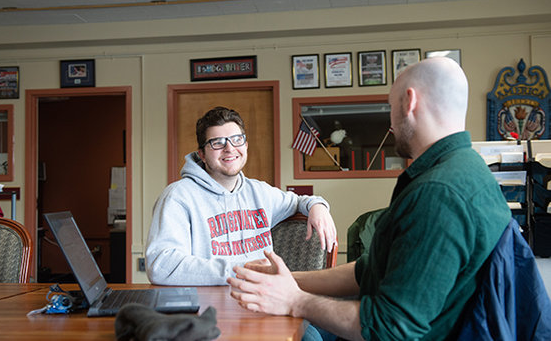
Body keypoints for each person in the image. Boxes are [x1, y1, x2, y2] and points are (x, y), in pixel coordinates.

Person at [227, 57, 512, 340]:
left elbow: (389, 327)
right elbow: (369, 270)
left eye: (390, 106)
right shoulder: (469, 168)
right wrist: (289, 281)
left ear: (409, 101)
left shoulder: (438, 193)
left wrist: (295, 301)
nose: (390, 123)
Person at [145, 106, 337, 286]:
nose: (229, 148)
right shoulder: (178, 197)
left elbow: (298, 201)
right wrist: (241, 271)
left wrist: (317, 206)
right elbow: (162, 265)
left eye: (237, 139)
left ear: (245, 145)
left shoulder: (260, 193)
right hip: (207, 311)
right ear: (202, 154)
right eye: (217, 143)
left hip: (264, 301)